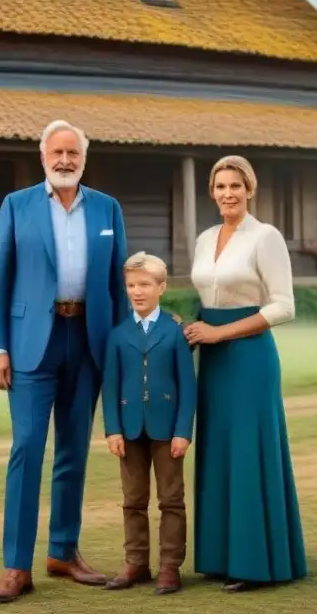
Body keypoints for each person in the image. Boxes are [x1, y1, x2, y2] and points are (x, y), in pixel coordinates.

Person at [0, 119, 130, 604]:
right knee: (27, 448)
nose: (65, 160)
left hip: (88, 341)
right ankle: (15, 566)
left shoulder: (108, 208)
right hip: (30, 344)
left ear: (84, 159)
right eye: (58, 152)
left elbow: (117, 285)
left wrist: (125, 347)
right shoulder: (17, 205)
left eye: (74, 154)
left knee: (73, 452)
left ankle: (63, 552)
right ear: (42, 155)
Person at [182, 154, 308, 593]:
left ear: (249, 190)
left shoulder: (265, 237)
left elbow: (283, 306)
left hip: (250, 356)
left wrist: (220, 333)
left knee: (249, 452)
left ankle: (257, 564)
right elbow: (206, 299)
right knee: (218, 451)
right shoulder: (204, 239)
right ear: (212, 192)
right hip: (213, 360)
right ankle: (220, 557)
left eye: (235, 186)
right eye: (220, 187)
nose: (227, 193)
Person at [101, 251, 197, 596]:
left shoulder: (175, 332)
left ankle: (170, 566)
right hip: (128, 429)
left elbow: (188, 386)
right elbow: (109, 387)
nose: (137, 291)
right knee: (133, 500)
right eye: (131, 285)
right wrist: (112, 429)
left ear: (162, 287)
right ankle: (136, 562)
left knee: (171, 499)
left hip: (167, 429)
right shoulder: (117, 335)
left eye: (144, 284)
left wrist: (183, 431)